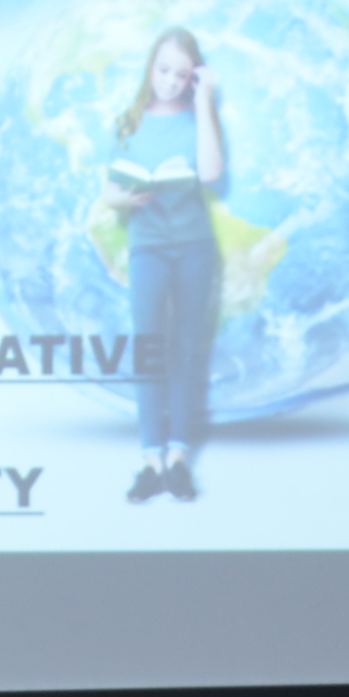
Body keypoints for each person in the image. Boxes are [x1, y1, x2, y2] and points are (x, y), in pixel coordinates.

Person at [103, 25, 229, 504]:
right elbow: (110, 191)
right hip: (148, 246)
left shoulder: (199, 118)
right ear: (150, 68)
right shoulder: (129, 122)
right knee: (149, 351)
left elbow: (211, 173)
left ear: (192, 76)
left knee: (186, 350)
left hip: (194, 246)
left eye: (181, 74)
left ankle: (178, 458)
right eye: (164, 70)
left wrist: (205, 99)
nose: (171, 81)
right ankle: (150, 460)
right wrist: (128, 198)